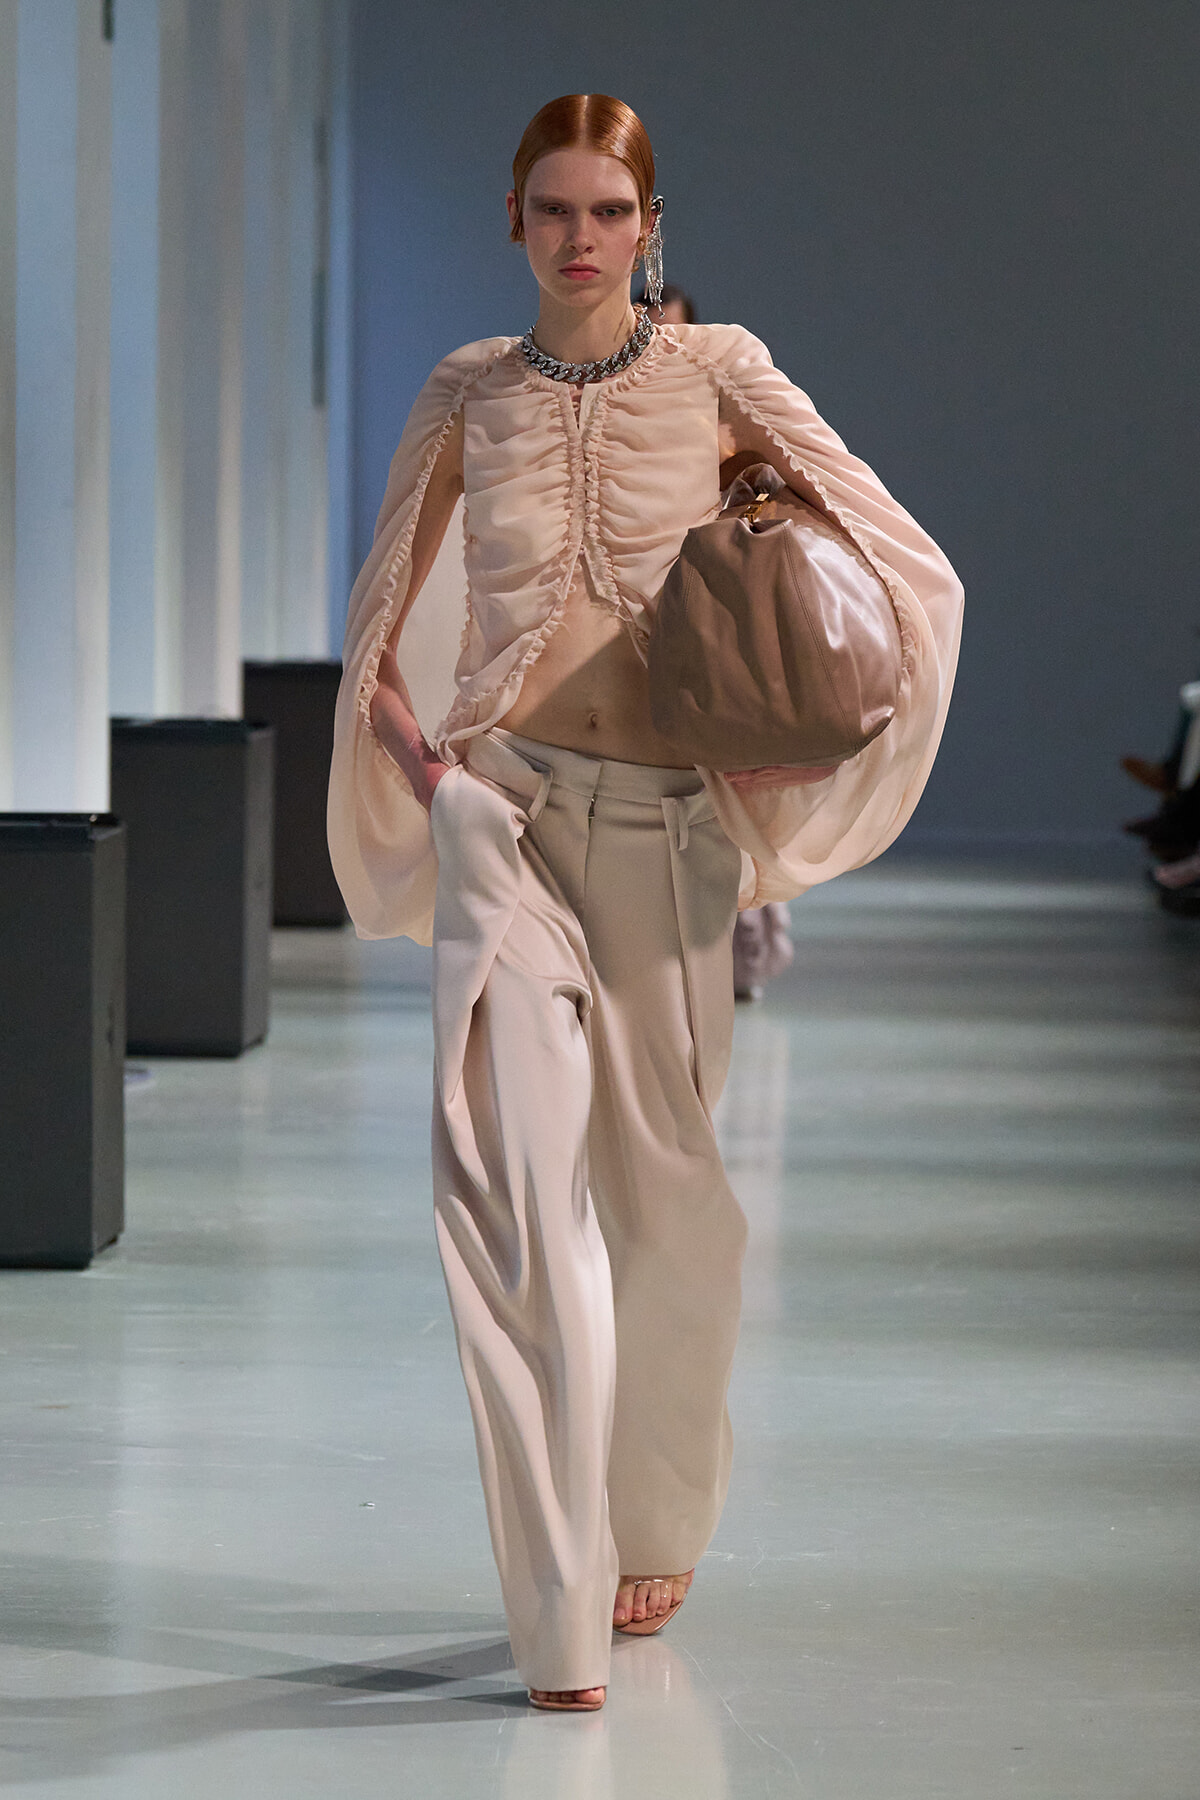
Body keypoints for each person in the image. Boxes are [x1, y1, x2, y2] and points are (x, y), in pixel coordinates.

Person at [328, 93, 963, 1713]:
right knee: (520, 1202)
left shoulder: (723, 373)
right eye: (553, 209)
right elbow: (383, 611)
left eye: (609, 211)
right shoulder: (467, 392)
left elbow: (879, 551)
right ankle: (555, 1613)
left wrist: (791, 744)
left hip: (669, 834)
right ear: (515, 222)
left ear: (648, 225)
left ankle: (656, 1509)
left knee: (671, 1205)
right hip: (509, 821)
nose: (581, 237)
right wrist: (430, 772)